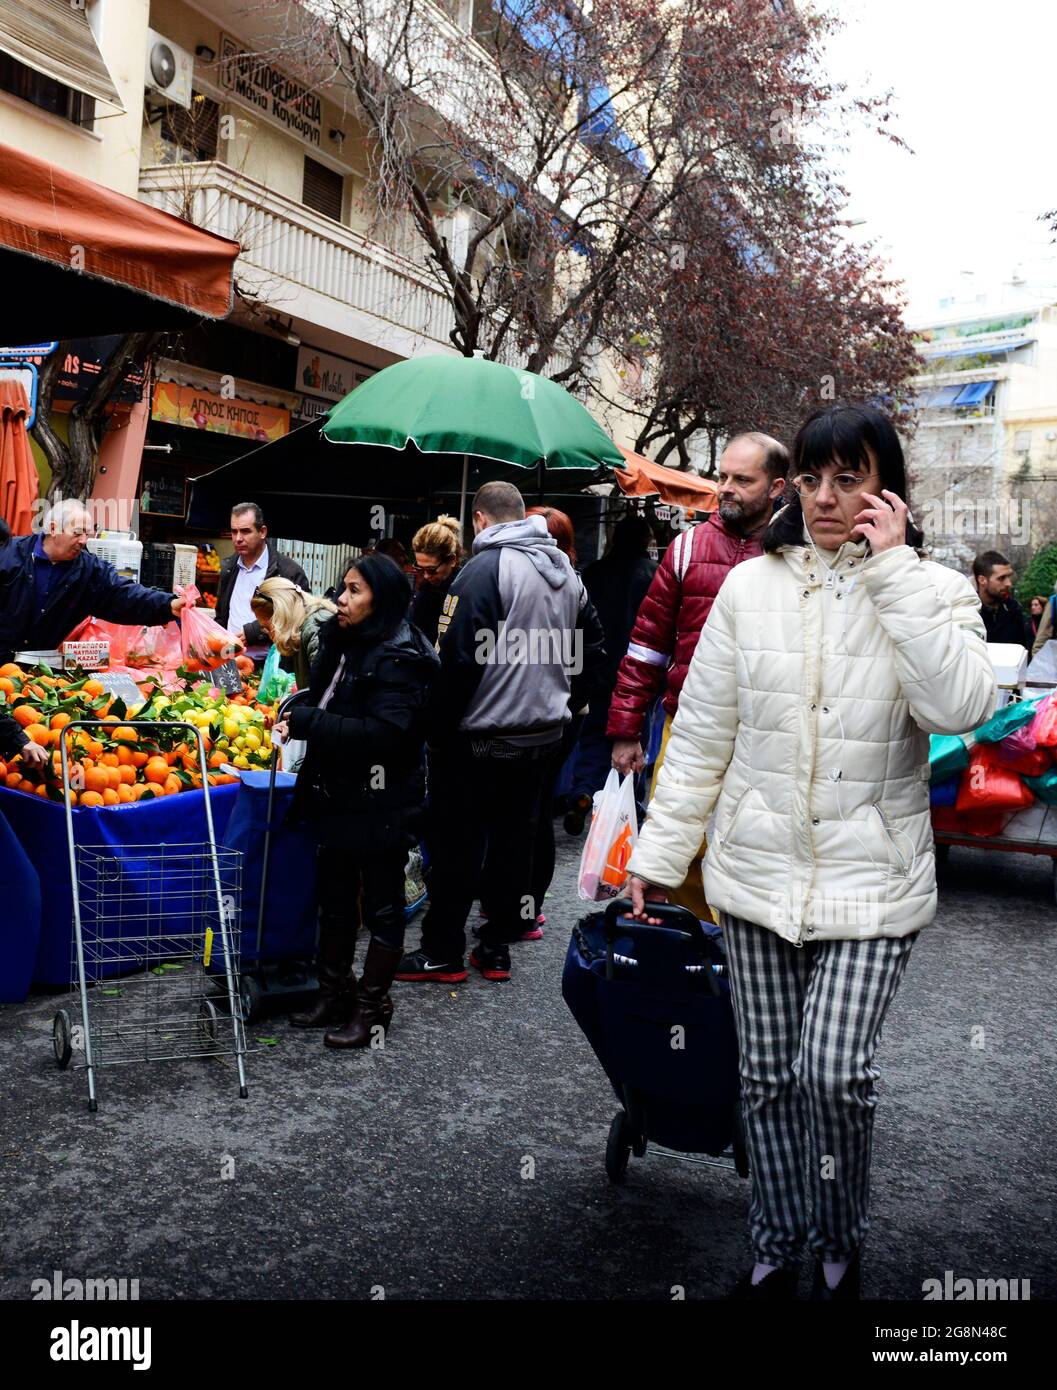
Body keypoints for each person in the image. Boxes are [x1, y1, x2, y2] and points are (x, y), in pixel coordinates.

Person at [624, 403, 995, 1301]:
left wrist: (894, 571)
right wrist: (657, 856)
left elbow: (960, 707)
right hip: (755, 876)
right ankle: (775, 1240)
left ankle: (837, 1235)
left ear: (886, 488)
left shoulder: (933, 589)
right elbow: (704, 731)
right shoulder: (751, 587)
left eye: (850, 478)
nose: (826, 498)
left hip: (873, 880)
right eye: (812, 479)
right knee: (761, 1077)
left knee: (831, 1072)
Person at [396, 481, 604, 985]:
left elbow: (458, 662)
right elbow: (593, 647)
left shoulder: (484, 569)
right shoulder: (564, 571)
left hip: (478, 737)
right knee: (514, 844)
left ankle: (443, 950)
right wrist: (565, 702)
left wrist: (437, 731)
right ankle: (494, 949)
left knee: (456, 847)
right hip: (540, 738)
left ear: (481, 521)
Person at [606, 433, 789, 920]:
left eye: (742, 480)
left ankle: (748, 957)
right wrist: (626, 730)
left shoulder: (798, 553)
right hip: (685, 725)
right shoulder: (686, 548)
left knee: (757, 849)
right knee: (678, 848)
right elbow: (646, 647)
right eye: (722, 477)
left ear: (777, 487)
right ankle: (694, 953)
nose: (726, 488)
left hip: (770, 734)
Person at [275, 553, 439, 1048]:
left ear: (382, 599)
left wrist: (309, 723)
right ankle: (335, 992)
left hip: (382, 799)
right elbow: (332, 702)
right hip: (338, 793)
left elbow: (386, 734)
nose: (340, 599)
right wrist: (299, 708)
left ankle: (372, 1009)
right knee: (336, 899)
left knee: (383, 907)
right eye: (342, 588)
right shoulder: (345, 640)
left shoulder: (400, 655)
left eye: (353, 591)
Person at [478, 505, 606, 938]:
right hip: (554, 714)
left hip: (543, 715)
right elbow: (590, 651)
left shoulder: (554, 580)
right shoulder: (568, 578)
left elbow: (587, 652)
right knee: (530, 811)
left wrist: (567, 696)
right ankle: (522, 907)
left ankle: (519, 909)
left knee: (522, 814)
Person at [0, 499, 183, 663]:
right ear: (54, 529)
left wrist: (167, 605)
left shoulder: (89, 571)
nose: (83, 541)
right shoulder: (8, 555)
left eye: (88, 534)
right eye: (77, 533)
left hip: (41, 672)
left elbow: (123, 594)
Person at [564, 513, 658, 832]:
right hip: (636, 676)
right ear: (645, 541)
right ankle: (623, 811)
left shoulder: (594, 573)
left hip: (596, 671)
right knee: (632, 742)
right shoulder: (653, 575)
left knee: (593, 737)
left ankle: (584, 793)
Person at [215, 503, 310, 663]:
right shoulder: (229, 568)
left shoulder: (288, 572)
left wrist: (253, 632)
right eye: (234, 531)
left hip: (270, 667)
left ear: (262, 532)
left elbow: (300, 621)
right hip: (230, 660)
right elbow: (221, 616)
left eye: (245, 531)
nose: (238, 538)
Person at [249, 578, 337, 689]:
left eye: (268, 627)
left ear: (280, 616)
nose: (269, 635)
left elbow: (325, 689)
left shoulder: (315, 629)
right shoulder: (302, 626)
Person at [409, 515, 463, 646]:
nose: (426, 576)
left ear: (452, 560)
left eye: (432, 570)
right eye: (420, 569)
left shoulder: (466, 590)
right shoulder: (424, 594)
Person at [971, 551, 1030, 649]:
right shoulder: (969, 611)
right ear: (982, 580)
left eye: (1008, 576)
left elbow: (1022, 651)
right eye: (1001, 578)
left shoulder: (1013, 609)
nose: (1008, 583)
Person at [1030, 581, 1057, 655]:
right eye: (1032, 605)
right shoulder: (1054, 603)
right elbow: (1039, 643)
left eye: (1036, 605)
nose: (1033, 607)